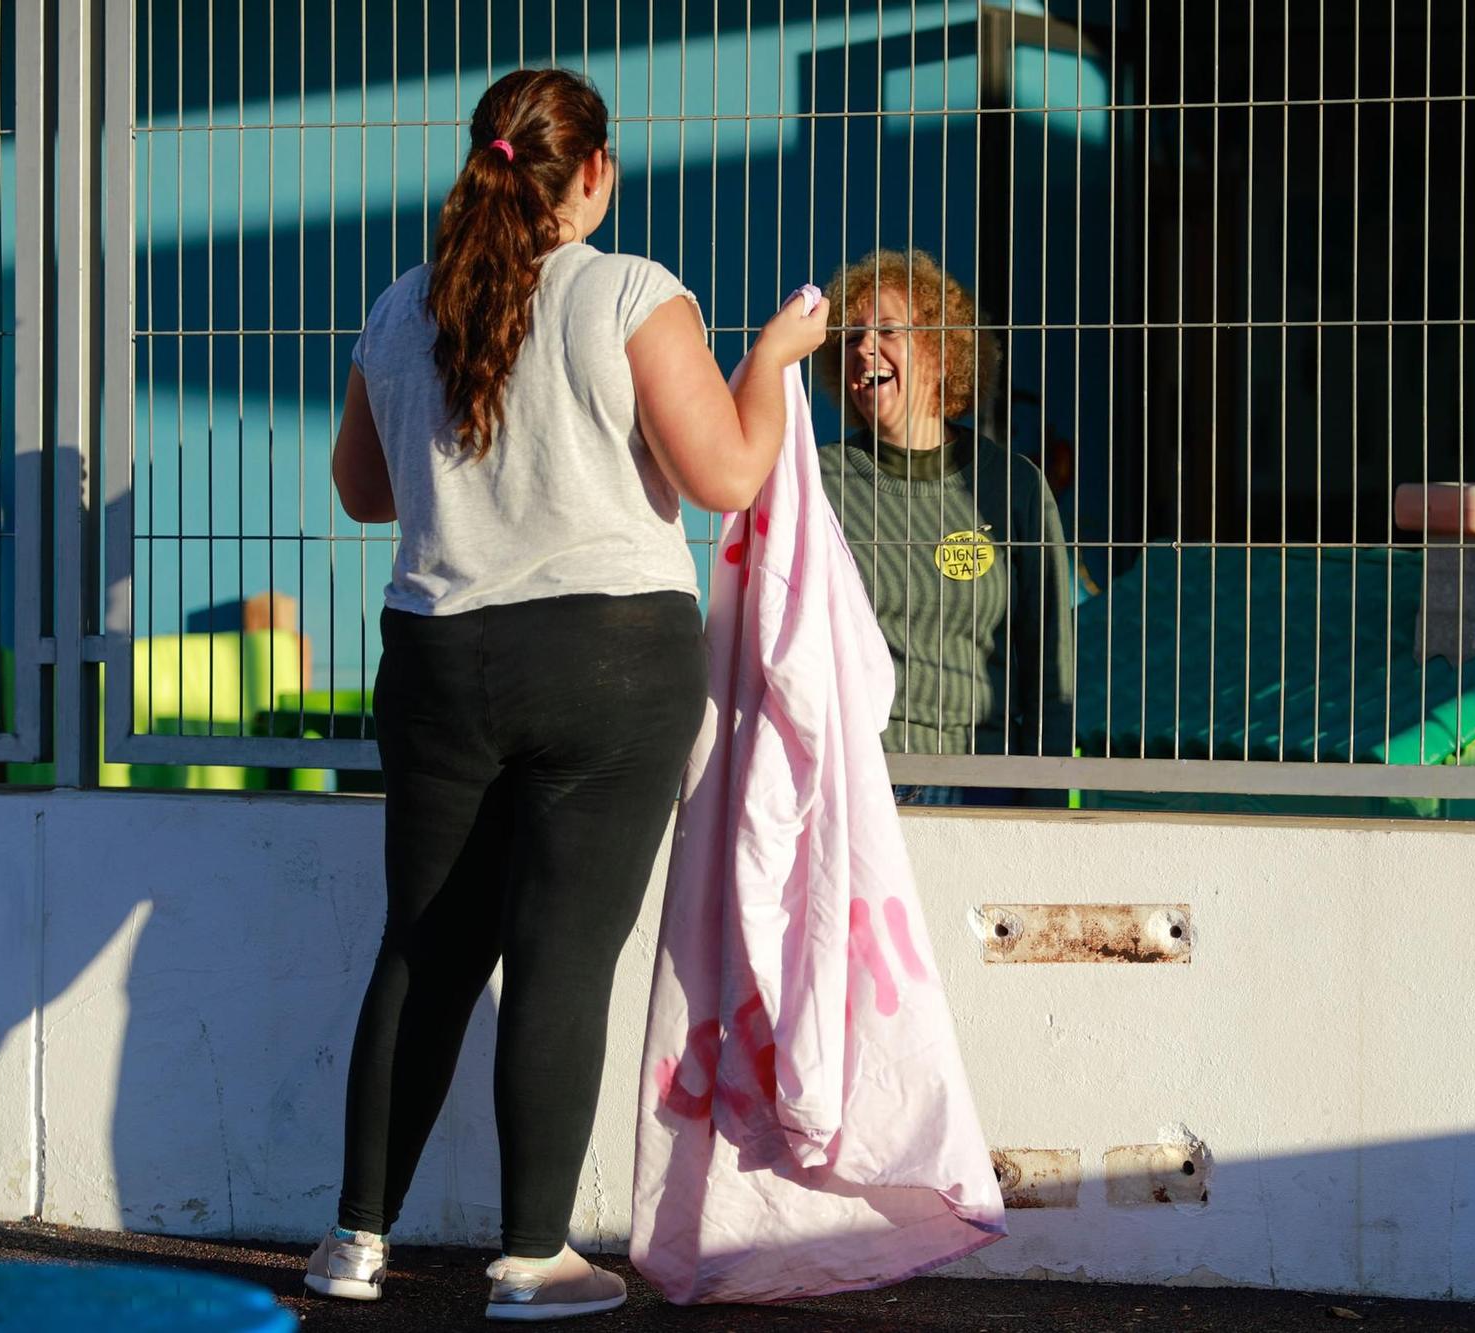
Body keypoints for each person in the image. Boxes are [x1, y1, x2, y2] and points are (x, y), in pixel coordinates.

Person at [309, 68, 830, 1322]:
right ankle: (533, 1257)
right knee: (557, 958)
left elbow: (362, 493)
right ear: (592, 169)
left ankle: (351, 1243)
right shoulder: (632, 292)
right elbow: (727, 474)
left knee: (422, 951)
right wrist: (769, 356)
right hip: (605, 662)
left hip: (436, 659)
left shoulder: (399, 307)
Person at [811, 249, 1075, 807]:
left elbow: (1049, 659)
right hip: (855, 779)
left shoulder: (1012, 487)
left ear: (940, 352)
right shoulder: (818, 480)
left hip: (982, 778)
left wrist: (1047, 799)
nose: (863, 348)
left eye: (886, 330)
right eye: (852, 337)